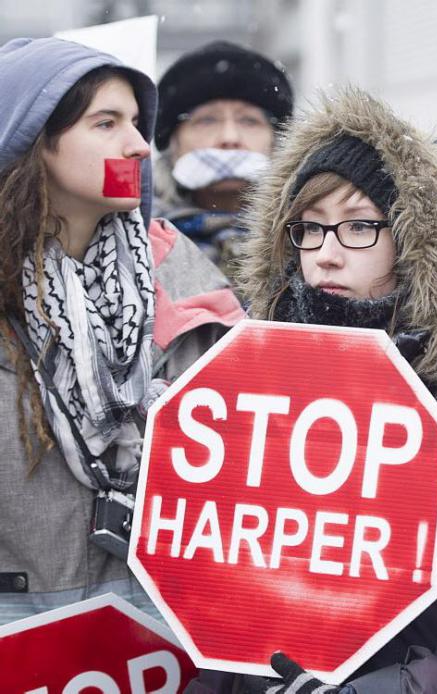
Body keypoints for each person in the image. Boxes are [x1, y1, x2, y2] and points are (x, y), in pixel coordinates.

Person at [185, 87, 437, 694]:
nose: (326, 256)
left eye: (359, 226)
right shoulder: (259, 398)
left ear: (415, 248)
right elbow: (228, 610)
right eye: (309, 228)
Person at [0, 37, 244, 624]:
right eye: (105, 123)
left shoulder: (183, 274)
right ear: (34, 139)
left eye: (136, 123)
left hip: (169, 644)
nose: (137, 144)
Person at [154, 40, 293, 274]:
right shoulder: (133, 240)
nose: (229, 138)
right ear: (173, 143)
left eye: (249, 120)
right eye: (207, 120)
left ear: (275, 141)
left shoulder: (312, 238)